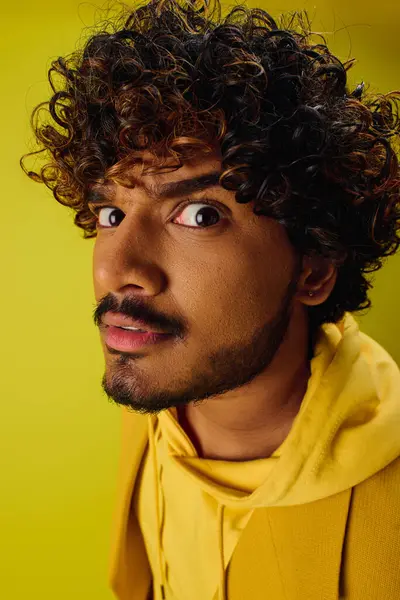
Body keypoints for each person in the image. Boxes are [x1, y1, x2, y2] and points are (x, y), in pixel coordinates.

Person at [20, 0, 400, 597]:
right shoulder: (159, 388)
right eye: (111, 212)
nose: (120, 270)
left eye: (199, 214)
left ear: (314, 269)